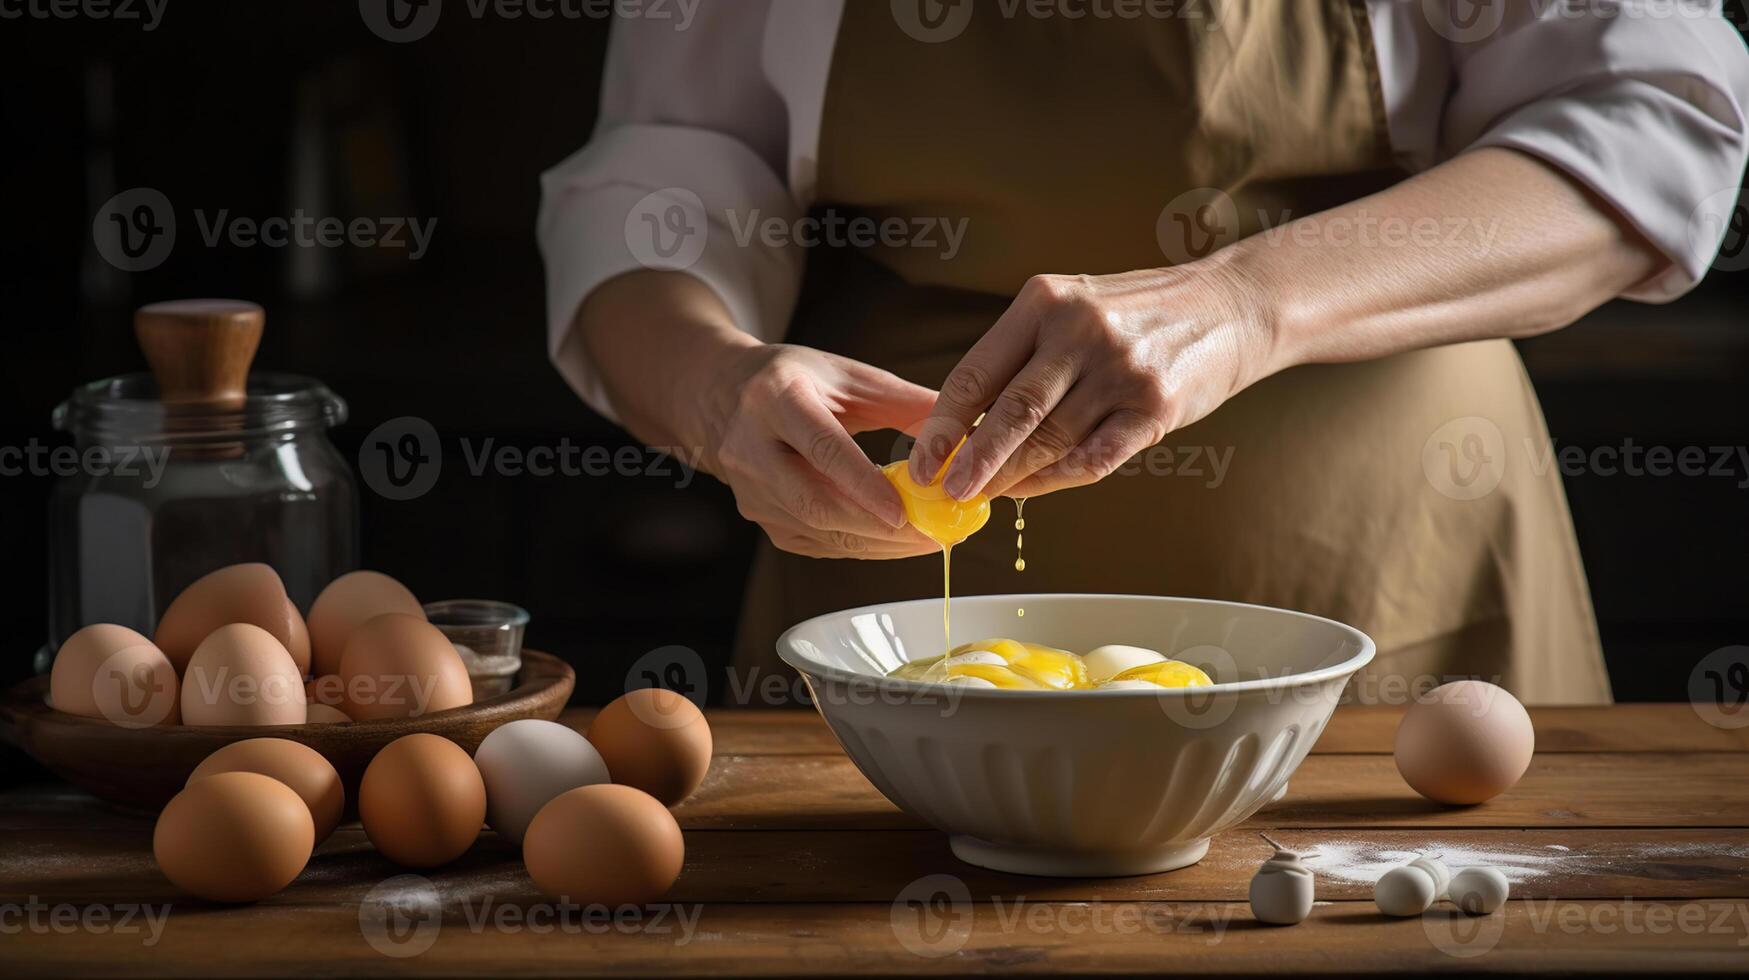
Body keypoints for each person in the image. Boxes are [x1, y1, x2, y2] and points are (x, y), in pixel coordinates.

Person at [539, 2, 1749, 703]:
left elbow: (1655, 121)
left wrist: (1251, 300)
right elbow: (666, 156)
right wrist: (709, 381)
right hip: (881, 579)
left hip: (1394, 555)